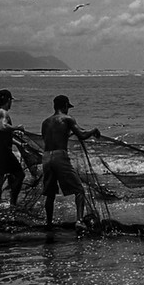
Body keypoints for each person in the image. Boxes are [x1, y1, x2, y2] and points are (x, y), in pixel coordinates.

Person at [40, 94, 101, 228]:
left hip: (46, 157)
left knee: (50, 194)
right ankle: (79, 221)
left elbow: (47, 139)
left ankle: (48, 223)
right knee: (79, 190)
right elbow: (82, 135)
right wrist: (94, 130)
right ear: (65, 106)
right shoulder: (67, 119)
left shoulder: (45, 122)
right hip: (60, 156)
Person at [0, 89, 25, 209]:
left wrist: (18, 143)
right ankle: (13, 203)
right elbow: (3, 127)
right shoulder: (3, 113)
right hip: (3, 152)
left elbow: (1, 135)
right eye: (11, 101)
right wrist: (16, 127)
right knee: (20, 175)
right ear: (9, 100)